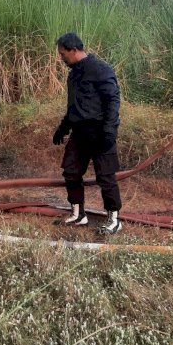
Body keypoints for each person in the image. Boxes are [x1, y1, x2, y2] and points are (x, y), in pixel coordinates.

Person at [53, 33, 123, 235]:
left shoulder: (100, 69)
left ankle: (114, 219)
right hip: (80, 133)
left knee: (106, 177)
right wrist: (63, 128)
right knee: (71, 171)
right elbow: (73, 105)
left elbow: (113, 101)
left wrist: (109, 130)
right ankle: (78, 213)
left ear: (73, 50)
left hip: (101, 132)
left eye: (63, 54)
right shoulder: (73, 73)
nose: (62, 58)